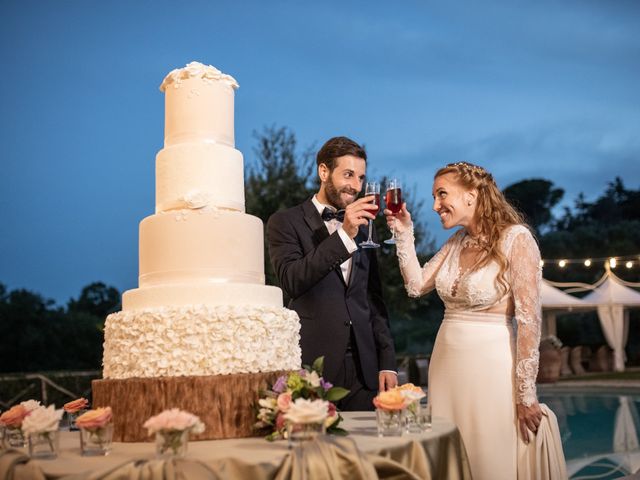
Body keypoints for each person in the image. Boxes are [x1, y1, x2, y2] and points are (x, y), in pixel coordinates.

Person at [385, 161, 551, 480]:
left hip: (491, 368)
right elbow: (416, 285)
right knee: (447, 459)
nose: (435, 205)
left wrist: (526, 394)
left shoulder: (516, 239)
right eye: (434, 197)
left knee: (489, 458)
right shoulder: (456, 242)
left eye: (441, 195)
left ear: (472, 195)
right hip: (446, 365)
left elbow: (530, 320)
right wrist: (404, 234)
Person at [267, 136, 397, 411]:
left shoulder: (365, 230)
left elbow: (373, 301)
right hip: (315, 369)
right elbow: (292, 280)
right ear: (323, 171)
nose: (356, 186)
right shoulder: (285, 222)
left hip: (365, 371)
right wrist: (344, 235)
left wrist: (387, 362)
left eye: (361, 177)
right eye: (348, 174)